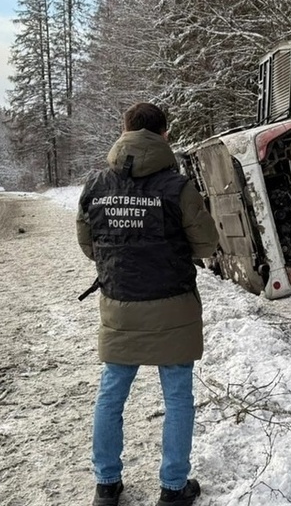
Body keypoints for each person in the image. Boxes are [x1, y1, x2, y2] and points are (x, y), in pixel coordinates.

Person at [76, 102, 219, 506]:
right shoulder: (178, 187)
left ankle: (106, 486)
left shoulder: (96, 184)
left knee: (111, 394)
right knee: (177, 398)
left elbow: (89, 246)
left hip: (120, 304)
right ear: (165, 135)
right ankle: (173, 489)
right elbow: (207, 244)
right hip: (173, 306)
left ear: (124, 130)